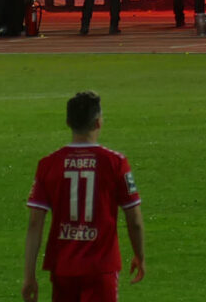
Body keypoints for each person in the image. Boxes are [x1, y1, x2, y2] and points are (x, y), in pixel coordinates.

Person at [22, 90, 145, 302]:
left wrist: (29, 276)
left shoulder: (48, 164)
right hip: (101, 267)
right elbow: (134, 220)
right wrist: (139, 256)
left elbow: (35, 223)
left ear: (68, 122)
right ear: (98, 123)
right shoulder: (115, 163)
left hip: (63, 267)